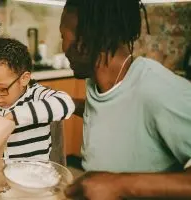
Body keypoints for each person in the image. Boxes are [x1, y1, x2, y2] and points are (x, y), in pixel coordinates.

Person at [59, 0, 191, 199]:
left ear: (85, 42)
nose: (63, 47)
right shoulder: (97, 83)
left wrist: (119, 184)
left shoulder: (156, 87)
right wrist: (66, 103)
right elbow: (118, 112)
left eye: (64, 36)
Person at [0, 37, 75, 160]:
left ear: (24, 78)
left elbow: (66, 103)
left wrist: (14, 117)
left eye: (2, 89)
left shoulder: (36, 95)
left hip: (36, 176)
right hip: (5, 175)